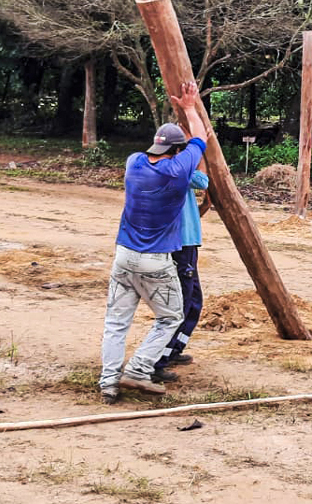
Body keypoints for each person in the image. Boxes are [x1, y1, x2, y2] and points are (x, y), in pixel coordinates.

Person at [99, 81, 207, 404]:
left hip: (123, 256)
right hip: (155, 260)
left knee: (116, 321)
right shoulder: (178, 171)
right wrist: (190, 107)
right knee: (171, 316)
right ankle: (139, 368)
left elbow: (180, 148)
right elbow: (201, 140)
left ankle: (108, 383)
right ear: (177, 151)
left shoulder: (133, 163)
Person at [153, 153, 209, 375]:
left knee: (194, 301)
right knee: (183, 303)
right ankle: (159, 359)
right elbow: (202, 181)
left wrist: (205, 206)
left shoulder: (169, 168)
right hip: (181, 245)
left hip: (186, 243)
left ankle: (174, 349)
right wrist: (201, 154)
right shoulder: (175, 169)